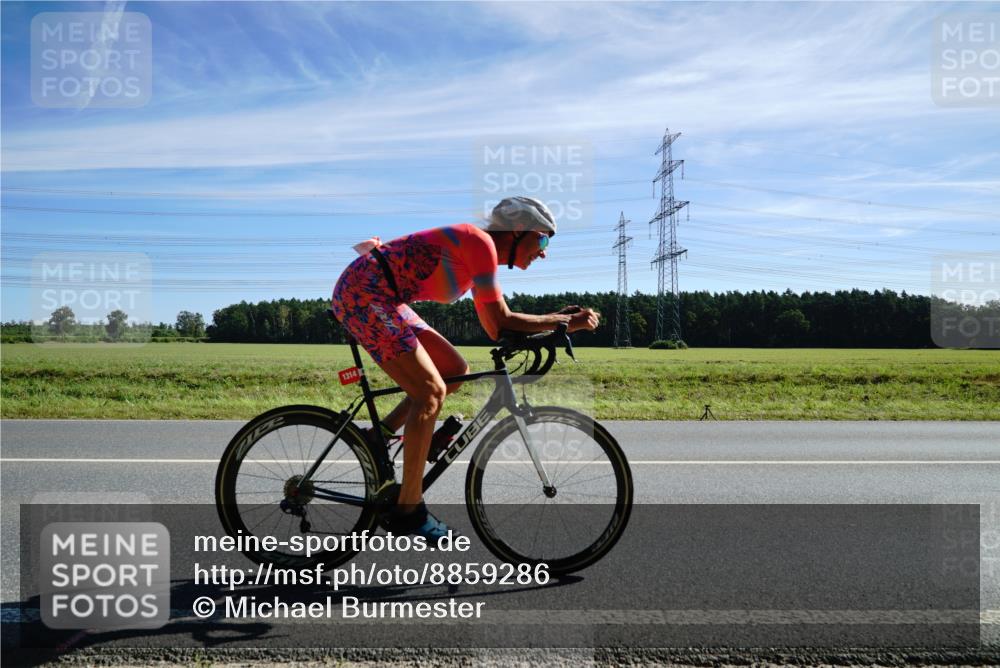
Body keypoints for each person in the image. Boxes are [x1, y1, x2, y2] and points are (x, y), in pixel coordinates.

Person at [329, 196, 600, 543]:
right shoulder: (478, 242)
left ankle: (377, 435)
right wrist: (564, 321)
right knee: (430, 392)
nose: (544, 251)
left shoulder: (478, 258)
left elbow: (495, 327)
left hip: (384, 297)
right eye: (543, 239)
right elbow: (502, 321)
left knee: (454, 369)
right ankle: (408, 509)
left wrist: (556, 324)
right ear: (519, 231)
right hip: (364, 295)